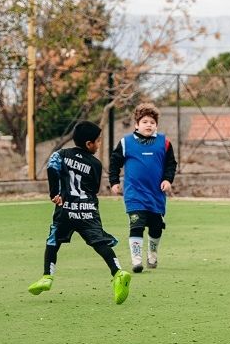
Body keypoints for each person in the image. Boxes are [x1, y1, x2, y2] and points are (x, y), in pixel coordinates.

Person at [27, 121, 132, 304]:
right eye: (97, 142)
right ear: (88, 144)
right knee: (99, 242)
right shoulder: (96, 164)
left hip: (66, 209)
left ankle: (47, 276)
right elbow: (94, 189)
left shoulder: (62, 154)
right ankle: (118, 272)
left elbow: (52, 166)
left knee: (53, 241)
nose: (99, 145)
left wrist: (55, 193)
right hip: (88, 210)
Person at [109, 103, 177, 273]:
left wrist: (168, 180)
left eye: (152, 122)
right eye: (145, 121)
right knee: (136, 225)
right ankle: (136, 260)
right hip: (134, 194)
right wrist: (114, 182)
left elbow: (171, 164)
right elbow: (114, 163)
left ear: (156, 125)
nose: (149, 125)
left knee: (155, 226)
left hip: (156, 195)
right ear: (137, 124)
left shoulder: (165, 143)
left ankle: (152, 252)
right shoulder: (126, 143)